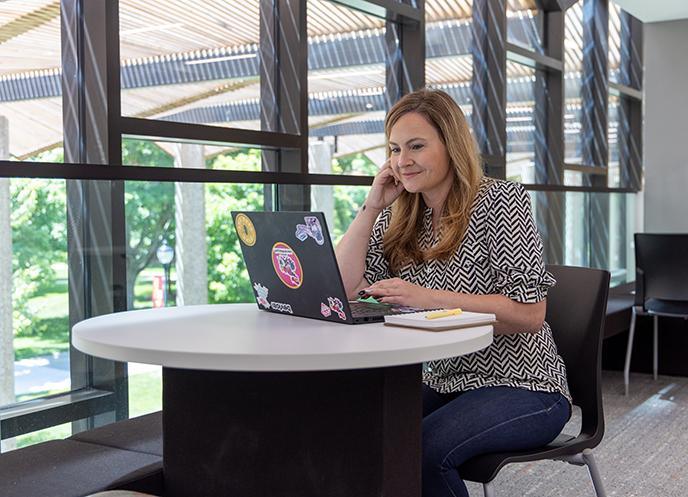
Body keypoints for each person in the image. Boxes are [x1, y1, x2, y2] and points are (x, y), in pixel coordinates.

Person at [335, 88, 571, 497]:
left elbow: (530, 315)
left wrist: (427, 297)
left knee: (423, 451)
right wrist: (371, 206)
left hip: (524, 385)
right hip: (444, 382)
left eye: (416, 146)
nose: (401, 160)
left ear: (450, 145)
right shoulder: (400, 214)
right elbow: (345, 289)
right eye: (394, 149)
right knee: (364, 438)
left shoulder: (499, 200)